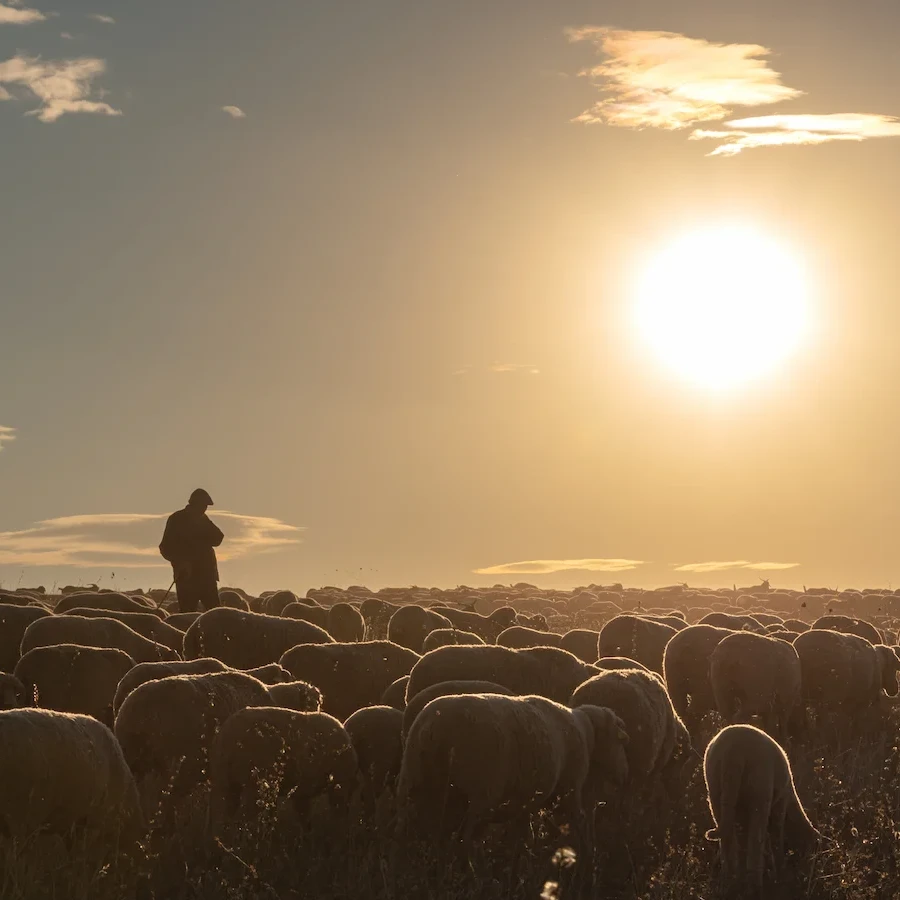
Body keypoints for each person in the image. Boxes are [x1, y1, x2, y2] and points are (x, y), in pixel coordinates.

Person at [159, 488, 224, 614]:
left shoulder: (204, 520)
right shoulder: (177, 519)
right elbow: (165, 547)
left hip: (206, 575)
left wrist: (203, 534)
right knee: (187, 614)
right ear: (194, 504)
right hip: (186, 577)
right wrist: (180, 561)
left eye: (205, 507)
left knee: (215, 613)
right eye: (203, 506)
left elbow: (218, 538)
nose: (204, 509)